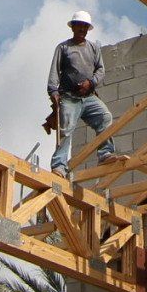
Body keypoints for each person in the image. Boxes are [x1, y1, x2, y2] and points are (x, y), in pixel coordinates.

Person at [47, 10, 116, 177]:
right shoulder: (64, 48)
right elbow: (54, 71)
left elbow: (100, 69)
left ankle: (105, 153)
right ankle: (59, 166)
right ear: (73, 27)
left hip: (88, 97)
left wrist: (91, 82)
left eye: (85, 27)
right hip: (69, 97)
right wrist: (53, 91)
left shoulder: (93, 48)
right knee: (66, 130)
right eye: (80, 26)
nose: (83, 30)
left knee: (105, 117)